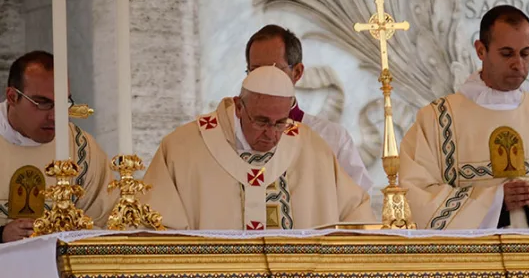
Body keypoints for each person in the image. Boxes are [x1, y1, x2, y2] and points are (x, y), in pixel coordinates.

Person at [399, 5, 529, 229]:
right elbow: (416, 196)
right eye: (507, 54)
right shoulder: (437, 120)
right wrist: (496, 201)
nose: (518, 64)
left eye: (525, 53)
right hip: (469, 261)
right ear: (480, 50)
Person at [142, 66, 375, 230]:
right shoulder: (183, 148)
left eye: (280, 122)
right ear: (239, 107)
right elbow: (155, 225)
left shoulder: (312, 148)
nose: (272, 133)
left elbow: (356, 213)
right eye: (262, 121)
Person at [0, 51, 115, 242]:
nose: (54, 116)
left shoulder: (82, 150)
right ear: (12, 97)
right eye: (42, 103)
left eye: (62, 103)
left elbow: (106, 221)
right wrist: (2, 235)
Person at [245, 24, 373, 192]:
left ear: (297, 72)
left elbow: (359, 204)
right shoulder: (231, 135)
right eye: (255, 71)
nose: (263, 79)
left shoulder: (332, 139)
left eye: (273, 70)